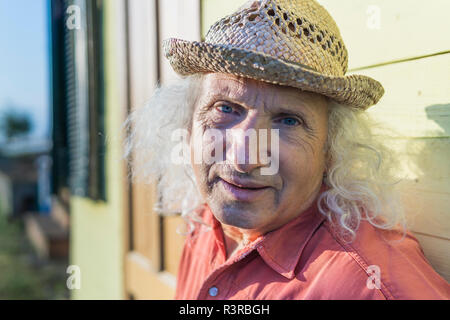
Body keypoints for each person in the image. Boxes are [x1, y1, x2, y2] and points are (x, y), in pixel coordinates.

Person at [125, 0, 450, 299]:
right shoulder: (206, 223)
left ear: (331, 150)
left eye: (288, 121)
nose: (244, 159)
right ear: (189, 124)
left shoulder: (372, 287)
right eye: (226, 108)